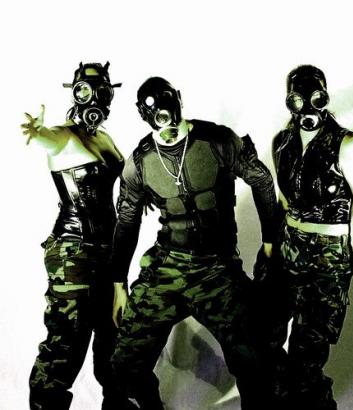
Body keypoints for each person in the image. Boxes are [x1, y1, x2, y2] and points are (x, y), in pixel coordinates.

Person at [110, 77, 283, 409]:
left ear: (177, 99)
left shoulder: (217, 140)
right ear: (142, 114)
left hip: (216, 268)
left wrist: (270, 241)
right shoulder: (139, 163)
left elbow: (261, 181)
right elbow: (127, 222)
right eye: (153, 112)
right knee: (125, 364)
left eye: (166, 105)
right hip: (167, 266)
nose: (163, 119)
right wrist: (118, 284)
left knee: (254, 359)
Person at [270, 64, 353, 409]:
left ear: (325, 96)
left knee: (308, 354)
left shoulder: (347, 145)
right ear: (289, 101)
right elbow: (284, 203)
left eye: (315, 97)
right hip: (288, 249)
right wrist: (271, 249)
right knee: (264, 339)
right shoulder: (282, 143)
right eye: (298, 99)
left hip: (327, 260)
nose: (307, 106)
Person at [21, 62, 125, 410]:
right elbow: (47, 138)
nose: (93, 98)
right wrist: (37, 132)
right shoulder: (64, 136)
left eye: (102, 92)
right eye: (84, 91)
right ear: (75, 94)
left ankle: (117, 402)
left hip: (107, 251)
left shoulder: (105, 138)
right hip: (73, 252)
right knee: (68, 337)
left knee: (113, 332)